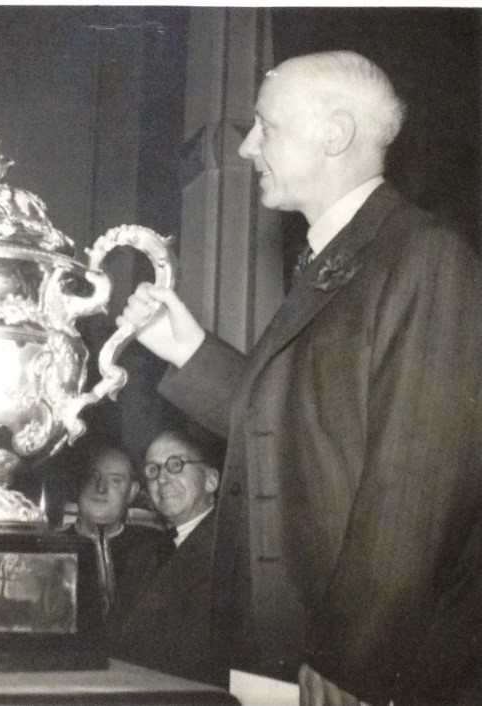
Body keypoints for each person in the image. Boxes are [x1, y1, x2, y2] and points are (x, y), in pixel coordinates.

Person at [120, 50, 482, 704]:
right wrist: (188, 348)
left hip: (349, 668)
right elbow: (296, 435)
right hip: (281, 651)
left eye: (267, 127)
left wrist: (352, 656)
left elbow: (416, 481)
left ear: (335, 134)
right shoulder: (334, 259)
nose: (251, 147)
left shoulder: (423, 257)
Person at [111, 427, 221, 685]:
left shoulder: (233, 553)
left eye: (176, 464)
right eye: (153, 470)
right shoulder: (141, 557)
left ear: (211, 481)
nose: (161, 478)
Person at [64, 436, 175, 618]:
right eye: (93, 477)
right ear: (79, 483)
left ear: (131, 492)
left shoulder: (158, 548)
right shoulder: (53, 548)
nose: (101, 488)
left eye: (115, 480)